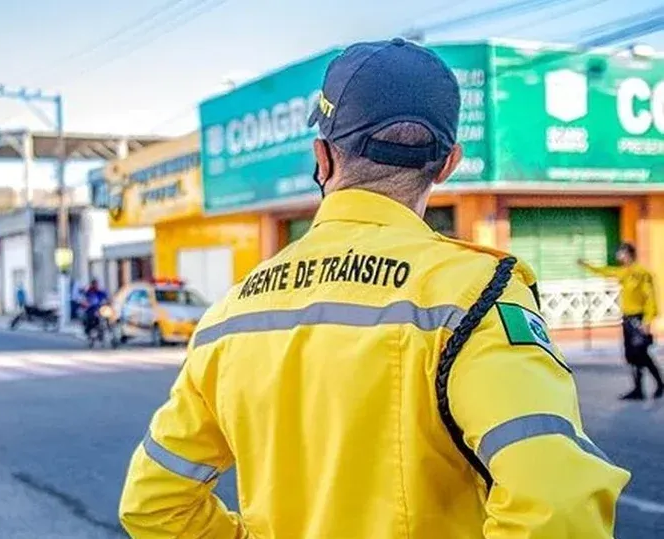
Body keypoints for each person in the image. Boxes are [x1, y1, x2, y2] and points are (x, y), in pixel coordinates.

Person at [119, 39, 630, 538]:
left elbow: (153, 505)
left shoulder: (231, 315)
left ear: (322, 158)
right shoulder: (472, 295)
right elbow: (559, 506)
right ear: (448, 164)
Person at [579, 244, 663, 399]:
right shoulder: (623, 272)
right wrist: (587, 265)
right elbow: (605, 271)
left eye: (621, 253)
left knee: (641, 353)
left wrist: (648, 320)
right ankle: (638, 389)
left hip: (639, 318)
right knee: (631, 355)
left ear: (629, 254)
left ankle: (658, 384)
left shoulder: (641, 273)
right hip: (627, 318)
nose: (618, 255)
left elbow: (650, 298)